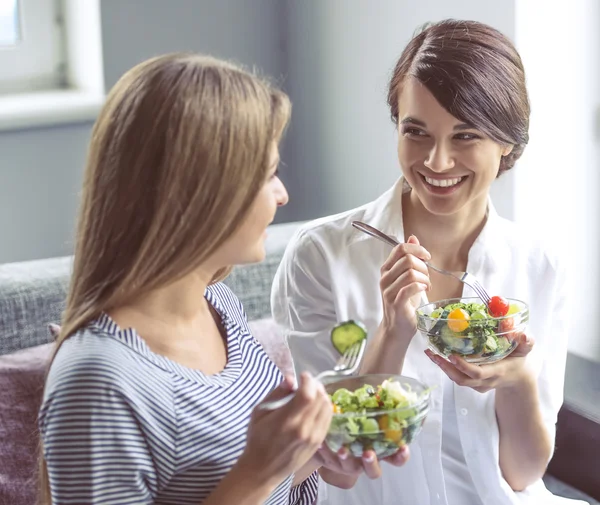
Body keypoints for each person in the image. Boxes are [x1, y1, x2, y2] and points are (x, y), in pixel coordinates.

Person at [272, 19, 587, 505]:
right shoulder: (320, 256)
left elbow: (523, 475)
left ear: (507, 143)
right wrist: (391, 334)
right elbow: (336, 468)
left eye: (466, 137)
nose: (437, 162)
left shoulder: (540, 265)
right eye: (415, 131)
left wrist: (518, 378)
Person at [38, 53, 345, 505]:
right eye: (267, 174)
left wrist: (313, 454)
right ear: (202, 194)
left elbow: (260, 487)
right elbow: (248, 482)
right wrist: (257, 473)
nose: (282, 194)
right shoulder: (99, 382)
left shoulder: (218, 304)